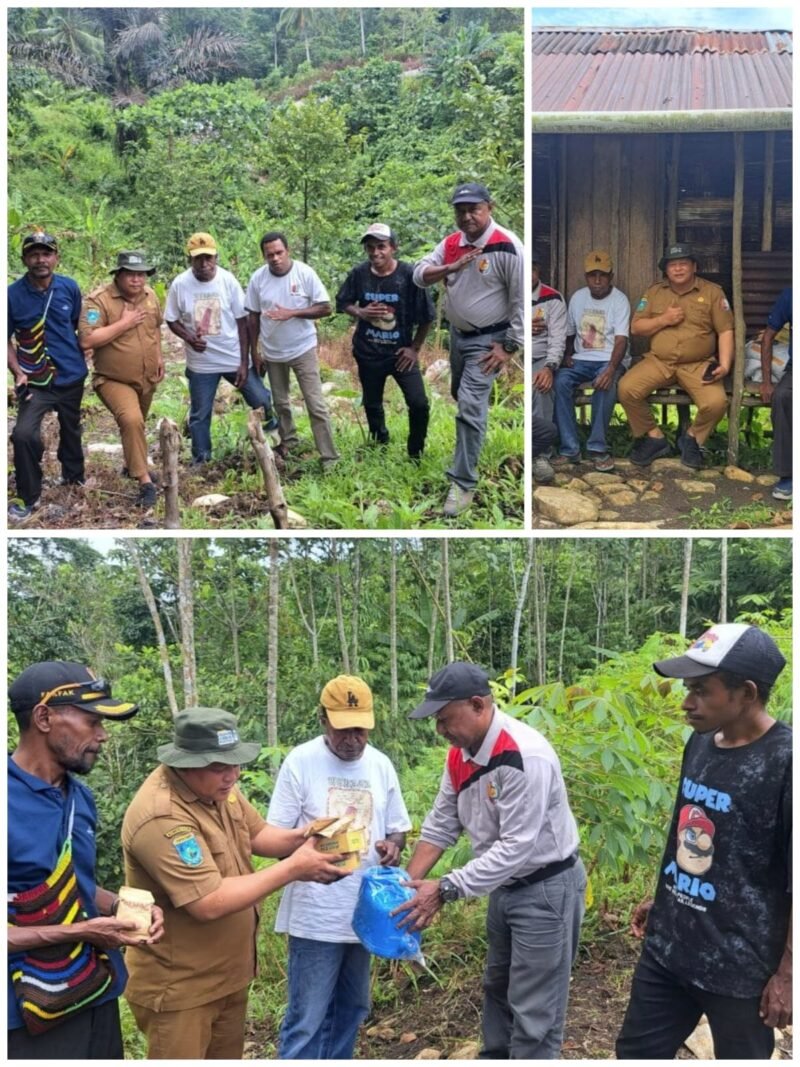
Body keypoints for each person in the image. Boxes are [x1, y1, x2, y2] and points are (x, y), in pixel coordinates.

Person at [121, 707, 344, 1060]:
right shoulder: (162, 815)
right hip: (182, 988)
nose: (232, 775)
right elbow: (208, 901)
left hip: (226, 976)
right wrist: (293, 869)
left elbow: (260, 835)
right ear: (185, 763)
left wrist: (306, 836)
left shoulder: (219, 789)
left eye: (236, 764)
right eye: (219, 767)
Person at [616, 623, 791, 1060]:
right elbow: (687, 827)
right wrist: (665, 897)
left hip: (739, 969)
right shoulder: (699, 742)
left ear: (746, 693)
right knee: (635, 1053)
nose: (686, 702)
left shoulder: (785, 763)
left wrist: (788, 973)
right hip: (670, 949)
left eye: (700, 690)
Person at [395, 662, 585, 1059]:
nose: (440, 731)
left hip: (546, 888)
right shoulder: (461, 755)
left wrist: (445, 889)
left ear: (479, 705)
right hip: (504, 887)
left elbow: (516, 846)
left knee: (536, 1010)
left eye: (446, 719)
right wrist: (403, 889)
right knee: (497, 988)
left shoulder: (523, 756)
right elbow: (441, 825)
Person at [8, 661, 163, 1060]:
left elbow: (71, 886)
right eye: (92, 721)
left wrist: (125, 907)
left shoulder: (79, 797)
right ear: (44, 718)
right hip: (24, 1014)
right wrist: (80, 932)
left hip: (93, 991)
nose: (103, 735)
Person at [267, 675, 412, 1059]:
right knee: (307, 1018)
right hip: (316, 916)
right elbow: (275, 839)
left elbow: (399, 830)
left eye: (361, 729)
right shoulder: (301, 762)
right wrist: (309, 851)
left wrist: (391, 847)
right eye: (343, 729)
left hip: (364, 912)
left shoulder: (380, 765)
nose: (353, 739)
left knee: (352, 1009)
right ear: (323, 720)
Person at [413, 182, 524, 517]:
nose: (467, 216)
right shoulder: (451, 244)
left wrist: (509, 347)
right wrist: (450, 267)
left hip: (489, 342)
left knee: (470, 406)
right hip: (458, 338)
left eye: (474, 209)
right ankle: (470, 448)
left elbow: (521, 301)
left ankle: (462, 484)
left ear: (489, 207)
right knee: (461, 398)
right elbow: (419, 274)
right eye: (461, 210)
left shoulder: (507, 247)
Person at [165, 232, 279, 465]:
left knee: (261, 400)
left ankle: (274, 443)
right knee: (200, 414)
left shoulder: (227, 281)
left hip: (233, 357)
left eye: (208, 258)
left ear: (216, 257)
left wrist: (244, 360)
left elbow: (243, 321)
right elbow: (171, 319)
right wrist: (188, 337)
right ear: (190, 260)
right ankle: (202, 459)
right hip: (201, 363)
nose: (204, 264)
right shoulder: (180, 284)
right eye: (198, 259)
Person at [619, 243, 734, 468]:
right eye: (673, 265)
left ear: (694, 267)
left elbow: (725, 331)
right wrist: (664, 319)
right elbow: (636, 327)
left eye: (683, 264)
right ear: (666, 270)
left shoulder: (712, 292)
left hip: (697, 364)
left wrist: (726, 364)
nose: (678, 269)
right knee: (626, 389)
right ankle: (655, 438)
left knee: (716, 402)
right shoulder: (654, 292)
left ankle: (692, 439)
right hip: (659, 361)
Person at [7, 232, 88, 523]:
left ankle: (74, 478)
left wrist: (86, 350)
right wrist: (18, 371)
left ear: (56, 257)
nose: (40, 260)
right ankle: (27, 495)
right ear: (25, 259)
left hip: (71, 373)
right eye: (34, 254)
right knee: (24, 434)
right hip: (35, 380)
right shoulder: (11, 295)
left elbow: (81, 322)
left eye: (46, 254)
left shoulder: (69, 287)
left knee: (71, 428)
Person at [336, 223, 434, 459]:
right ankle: (379, 443)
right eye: (370, 247)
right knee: (372, 403)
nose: (375, 252)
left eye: (381, 246)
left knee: (419, 403)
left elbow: (427, 317)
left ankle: (415, 452)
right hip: (368, 351)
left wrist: (414, 349)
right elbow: (342, 302)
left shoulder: (409, 276)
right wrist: (361, 313)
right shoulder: (359, 274)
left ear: (393, 247)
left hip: (401, 354)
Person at [245, 231, 339, 470]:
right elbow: (253, 317)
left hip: (302, 348)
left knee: (315, 404)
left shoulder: (304, 273)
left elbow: (326, 308)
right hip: (273, 351)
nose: (275, 258)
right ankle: (289, 442)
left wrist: (292, 312)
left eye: (279, 252)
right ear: (264, 256)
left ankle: (329, 457)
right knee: (280, 402)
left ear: (288, 251)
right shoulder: (258, 279)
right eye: (270, 255)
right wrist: (254, 351)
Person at [78, 251, 164, 507]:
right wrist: (124, 323)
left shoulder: (150, 297)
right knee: (132, 419)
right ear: (118, 275)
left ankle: (130, 465)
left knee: (136, 424)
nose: (137, 280)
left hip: (147, 377)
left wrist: (158, 357)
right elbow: (87, 340)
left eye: (141, 275)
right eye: (131, 275)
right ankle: (145, 481)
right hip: (113, 379)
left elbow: (156, 330)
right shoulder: (98, 302)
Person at [553, 250, 630, 472]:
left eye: (602, 275)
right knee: (560, 382)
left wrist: (611, 369)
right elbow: (569, 332)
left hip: (609, 358)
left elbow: (621, 340)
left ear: (611, 276)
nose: (597, 280)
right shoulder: (578, 298)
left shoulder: (619, 300)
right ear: (586, 276)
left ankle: (597, 448)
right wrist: (567, 354)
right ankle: (570, 449)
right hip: (580, 359)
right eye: (592, 275)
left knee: (605, 385)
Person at [531, 246, 567, 481]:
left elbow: (557, 338)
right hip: (512, 355)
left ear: (538, 271)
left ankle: (541, 454)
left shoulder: (552, 298)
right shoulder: (508, 293)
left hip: (541, 357)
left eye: (532, 270)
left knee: (542, 385)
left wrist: (550, 366)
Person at [759, 286, 792, 500]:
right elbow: (768, 336)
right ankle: (788, 475)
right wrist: (766, 381)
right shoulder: (791, 294)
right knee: (782, 397)